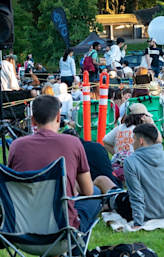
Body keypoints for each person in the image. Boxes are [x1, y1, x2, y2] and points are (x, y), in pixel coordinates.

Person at [8, 95, 101, 233]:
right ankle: (72, 252)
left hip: (22, 229)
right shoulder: (73, 143)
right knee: (96, 192)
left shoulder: (16, 146)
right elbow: (88, 191)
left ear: (32, 120)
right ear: (58, 116)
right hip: (62, 229)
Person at [117, 123, 164, 227]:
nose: (132, 143)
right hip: (163, 212)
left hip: (141, 214)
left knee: (116, 197)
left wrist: (138, 223)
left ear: (140, 141)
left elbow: (137, 196)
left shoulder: (130, 162)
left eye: (133, 140)